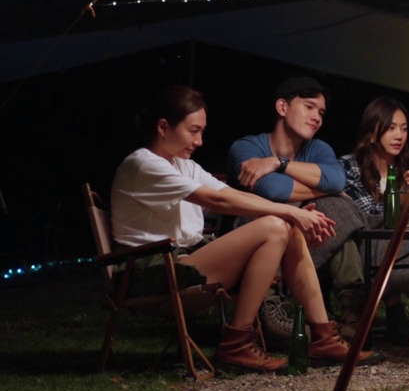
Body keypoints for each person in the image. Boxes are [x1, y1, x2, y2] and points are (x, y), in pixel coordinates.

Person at [110, 86, 380, 373]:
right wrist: (288, 211)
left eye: (202, 131)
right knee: (276, 226)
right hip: (148, 272)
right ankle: (236, 345)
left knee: (284, 225)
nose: (200, 140)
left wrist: (294, 214)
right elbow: (219, 200)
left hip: (179, 261)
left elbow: (231, 193)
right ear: (164, 127)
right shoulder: (143, 164)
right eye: (193, 131)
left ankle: (324, 337)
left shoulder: (183, 165)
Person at [227, 77, 369, 338]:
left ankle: (352, 310)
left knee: (333, 209)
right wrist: (325, 187)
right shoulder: (246, 147)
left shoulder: (318, 148)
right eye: (309, 107)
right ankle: (271, 307)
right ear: (282, 107)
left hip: (310, 238)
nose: (317, 117)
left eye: (321, 112)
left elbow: (337, 179)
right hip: (261, 238)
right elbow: (272, 190)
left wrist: (278, 164)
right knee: (322, 203)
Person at [339, 96, 409, 346]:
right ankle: (397, 311)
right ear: (373, 133)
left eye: (403, 129)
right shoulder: (350, 166)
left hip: (408, 237)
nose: (399, 136)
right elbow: (364, 216)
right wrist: (400, 198)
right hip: (370, 243)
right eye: (391, 128)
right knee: (392, 226)